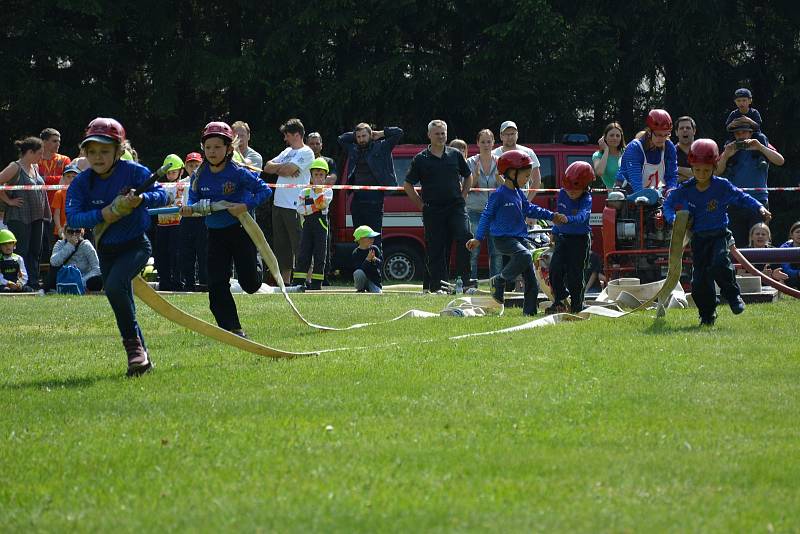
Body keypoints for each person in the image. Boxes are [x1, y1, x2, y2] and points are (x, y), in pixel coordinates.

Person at [66, 117, 168, 376]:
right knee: (123, 299)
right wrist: (105, 213)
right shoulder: (81, 182)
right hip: (106, 250)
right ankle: (142, 362)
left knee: (113, 287)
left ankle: (132, 348)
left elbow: (162, 195)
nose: (97, 157)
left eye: (104, 151)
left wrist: (141, 199)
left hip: (136, 245)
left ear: (119, 151)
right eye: (92, 152)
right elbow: (74, 218)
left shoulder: (135, 172)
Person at [663, 139, 771, 326]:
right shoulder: (686, 189)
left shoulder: (722, 186)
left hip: (720, 235)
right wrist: (673, 219)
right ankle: (707, 316)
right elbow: (668, 204)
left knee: (720, 263)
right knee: (699, 282)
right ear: (692, 167)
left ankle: (733, 296)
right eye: (697, 170)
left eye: (706, 170)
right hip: (698, 239)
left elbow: (742, 197)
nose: (702, 174)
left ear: (714, 167)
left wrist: (760, 207)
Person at [180, 121, 271, 337]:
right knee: (217, 283)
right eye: (208, 147)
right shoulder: (198, 176)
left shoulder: (238, 173)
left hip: (240, 231)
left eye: (217, 147)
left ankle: (256, 263)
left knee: (250, 285)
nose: (212, 151)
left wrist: (244, 206)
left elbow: (264, 191)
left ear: (229, 149)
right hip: (214, 235)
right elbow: (193, 201)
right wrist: (190, 210)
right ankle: (231, 328)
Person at [466, 150, 565, 315]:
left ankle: (529, 313)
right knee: (526, 255)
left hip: (520, 238)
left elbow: (530, 209)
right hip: (503, 238)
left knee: (532, 281)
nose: (528, 179)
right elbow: (486, 216)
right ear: (511, 173)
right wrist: (478, 238)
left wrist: (552, 215)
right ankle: (499, 281)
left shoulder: (519, 193)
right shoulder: (498, 195)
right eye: (526, 176)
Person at [405, 120, 473, 293]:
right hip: (433, 209)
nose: (441, 136)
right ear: (429, 135)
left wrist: (463, 196)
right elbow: (408, 185)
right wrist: (421, 206)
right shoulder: (420, 159)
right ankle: (438, 287)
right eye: (437, 133)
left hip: (456, 207)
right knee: (436, 248)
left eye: (443, 133)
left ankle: (464, 282)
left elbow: (468, 176)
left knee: (465, 236)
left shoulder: (455, 154)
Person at [716, 116, 784, 248]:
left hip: (759, 203)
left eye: (744, 132)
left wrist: (760, 147)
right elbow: (717, 172)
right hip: (735, 203)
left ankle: (761, 269)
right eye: (737, 133)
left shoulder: (761, 144)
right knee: (737, 244)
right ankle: (741, 269)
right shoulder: (729, 148)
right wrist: (726, 155)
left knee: (760, 242)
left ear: (751, 132)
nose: (740, 136)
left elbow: (780, 161)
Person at [263, 118, 314, 283]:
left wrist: (283, 168)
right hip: (278, 204)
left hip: (296, 205)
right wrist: (283, 169)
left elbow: (288, 169)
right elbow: (267, 167)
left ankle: (307, 281)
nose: (285, 139)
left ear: (297, 135)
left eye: (287, 135)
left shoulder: (306, 152)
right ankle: (285, 282)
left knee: (299, 243)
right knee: (282, 246)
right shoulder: (286, 152)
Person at [338, 123, 404, 248]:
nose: (361, 139)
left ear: (371, 135)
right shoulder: (354, 149)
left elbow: (398, 132)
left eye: (364, 136)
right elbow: (341, 139)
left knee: (374, 240)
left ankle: (375, 266)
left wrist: (380, 133)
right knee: (359, 239)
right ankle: (361, 267)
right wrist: (356, 135)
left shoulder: (382, 147)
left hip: (375, 201)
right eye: (359, 137)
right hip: (357, 201)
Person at [0, 136, 51, 291]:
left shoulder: (34, 168)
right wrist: (9, 201)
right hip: (19, 217)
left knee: (36, 251)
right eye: (39, 153)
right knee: (22, 251)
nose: (41, 157)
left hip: (37, 216)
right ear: (30, 152)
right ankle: (20, 285)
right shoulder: (15, 167)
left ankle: (33, 284)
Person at [545, 161, 595, 314]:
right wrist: (554, 230)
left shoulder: (587, 199)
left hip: (579, 241)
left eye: (576, 189)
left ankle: (577, 305)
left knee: (576, 274)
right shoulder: (562, 193)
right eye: (568, 189)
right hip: (562, 237)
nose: (571, 192)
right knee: (554, 269)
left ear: (585, 186)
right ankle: (561, 298)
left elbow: (582, 216)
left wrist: (569, 219)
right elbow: (559, 212)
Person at [291, 158, 334, 290]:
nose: (318, 178)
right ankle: (298, 281)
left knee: (320, 254)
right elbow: (299, 209)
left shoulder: (328, 191)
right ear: (311, 176)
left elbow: (323, 204)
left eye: (321, 175)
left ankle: (316, 284)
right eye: (316, 174)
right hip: (307, 225)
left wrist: (310, 208)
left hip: (321, 224)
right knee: (304, 253)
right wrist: (314, 207)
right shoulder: (304, 191)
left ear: (325, 176)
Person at [466, 129, 503, 280]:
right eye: (483, 142)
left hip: (495, 212)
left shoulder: (500, 161)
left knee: (496, 252)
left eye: (489, 141)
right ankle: (471, 283)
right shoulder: (470, 162)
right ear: (477, 143)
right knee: (474, 249)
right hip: (475, 210)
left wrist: (499, 178)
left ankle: (496, 285)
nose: (486, 145)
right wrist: (475, 177)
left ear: (494, 143)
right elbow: (466, 188)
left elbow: (506, 187)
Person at [615, 109, 678, 195]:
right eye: (659, 134)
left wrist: (670, 191)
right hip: (627, 189)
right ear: (649, 131)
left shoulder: (669, 147)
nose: (662, 139)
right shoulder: (634, 148)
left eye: (666, 134)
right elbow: (635, 180)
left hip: (653, 191)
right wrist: (644, 197)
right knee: (616, 199)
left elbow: (672, 175)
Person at [154, 154, 186, 291]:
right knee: (162, 254)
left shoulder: (185, 185)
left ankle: (178, 282)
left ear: (181, 171)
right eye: (168, 173)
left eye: (173, 172)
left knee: (177, 254)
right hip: (162, 225)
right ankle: (164, 281)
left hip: (178, 225)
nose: (170, 175)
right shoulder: (160, 186)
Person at [38, 128, 71, 256]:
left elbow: (68, 179)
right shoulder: (36, 159)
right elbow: (34, 180)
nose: (58, 144)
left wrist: (44, 179)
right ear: (44, 142)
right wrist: (57, 179)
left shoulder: (64, 160)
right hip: (40, 207)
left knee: (59, 243)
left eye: (59, 141)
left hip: (60, 208)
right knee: (41, 245)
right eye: (54, 141)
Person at [492, 121, 542, 199]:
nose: (510, 137)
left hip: (521, 203)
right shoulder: (493, 155)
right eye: (506, 134)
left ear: (517, 135)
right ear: (501, 136)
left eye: (513, 134)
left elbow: (536, 180)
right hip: (500, 203)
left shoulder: (528, 152)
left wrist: (526, 202)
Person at [180, 152, 207, 291]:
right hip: (186, 221)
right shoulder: (182, 183)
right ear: (185, 167)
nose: (193, 168)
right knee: (187, 253)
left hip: (202, 219)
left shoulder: (205, 181)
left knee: (203, 253)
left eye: (197, 165)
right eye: (190, 165)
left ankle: (204, 283)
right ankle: (188, 283)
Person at [48, 226, 102, 291]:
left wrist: (80, 281)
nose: (74, 234)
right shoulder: (60, 243)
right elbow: (53, 262)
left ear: (82, 233)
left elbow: (97, 269)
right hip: (64, 278)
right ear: (65, 233)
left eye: (77, 231)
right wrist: (70, 245)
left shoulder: (86, 245)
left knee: (97, 280)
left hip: (83, 280)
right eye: (70, 232)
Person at [51, 162, 80, 241]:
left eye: (74, 176)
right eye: (68, 176)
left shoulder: (82, 194)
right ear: (63, 178)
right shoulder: (59, 193)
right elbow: (56, 214)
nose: (71, 179)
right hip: (61, 232)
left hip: (78, 231)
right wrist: (59, 228)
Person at [592, 122, 625, 189]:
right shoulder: (598, 155)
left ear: (621, 138)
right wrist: (606, 150)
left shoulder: (626, 152)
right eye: (611, 135)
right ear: (605, 138)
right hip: (613, 197)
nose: (615, 138)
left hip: (630, 194)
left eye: (618, 136)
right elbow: (599, 172)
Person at [0, 228, 34, 293]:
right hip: (3, 284)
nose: (7, 246)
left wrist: (20, 284)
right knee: (5, 290)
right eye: (4, 244)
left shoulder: (18, 258)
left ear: (14, 245)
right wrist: (8, 283)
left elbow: (24, 275)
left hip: (16, 284)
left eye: (10, 243)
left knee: (28, 289)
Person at [351, 225, 382, 293]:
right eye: (370, 237)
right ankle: (360, 289)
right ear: (361, 239)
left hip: (373, 280)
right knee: (358, 272)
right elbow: (360, 269)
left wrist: (375, 259)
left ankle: (373, 288)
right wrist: (367, 259)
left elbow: (380, 265)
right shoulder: (356, 253)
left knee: (377, 293)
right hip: (363, 279)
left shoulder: (375, 249)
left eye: (373, 237)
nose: (372, 239)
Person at [674, 116, 696, 182]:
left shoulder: (702, 150)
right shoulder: (670, 153)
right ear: (676, 132)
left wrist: (677, 169)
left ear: (694, 131)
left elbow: (709, 174)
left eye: (688, 128)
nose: (685, 130)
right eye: (681, 128)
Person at [778, 221, 800, 289]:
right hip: (789, 280)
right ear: (791, 235)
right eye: (798, 232)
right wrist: (798, 273)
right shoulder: (784, 248)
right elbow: (785, 269)